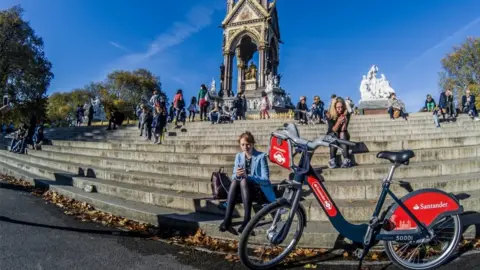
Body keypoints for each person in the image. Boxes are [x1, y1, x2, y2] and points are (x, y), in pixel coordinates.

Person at [219, 132, 276, 235]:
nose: (245, 147)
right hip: (243, 190)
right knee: (236, 181)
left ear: (253, 144)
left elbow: (265, 179)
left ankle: (247, 221)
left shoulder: (261, 156)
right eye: (243, 144)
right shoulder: (239, 156)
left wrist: (248, 176)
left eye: (248, 144)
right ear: (240, 145)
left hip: (259, 190)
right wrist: (237, 174)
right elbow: (233, 176)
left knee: (244, 180)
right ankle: (227, 221)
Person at [326, 97, 352, 168]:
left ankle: (347, 159)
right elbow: (333, 129)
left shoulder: (346, 113)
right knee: (333, 135)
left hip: (343, 134)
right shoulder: (329, 115)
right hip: (332, 134)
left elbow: (343, 129)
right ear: (334, 107)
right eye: (337, 107)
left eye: (341, 107)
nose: (340, 109)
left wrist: (344, 122)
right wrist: (338, 122)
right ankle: (332, 159)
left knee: (342, 133)